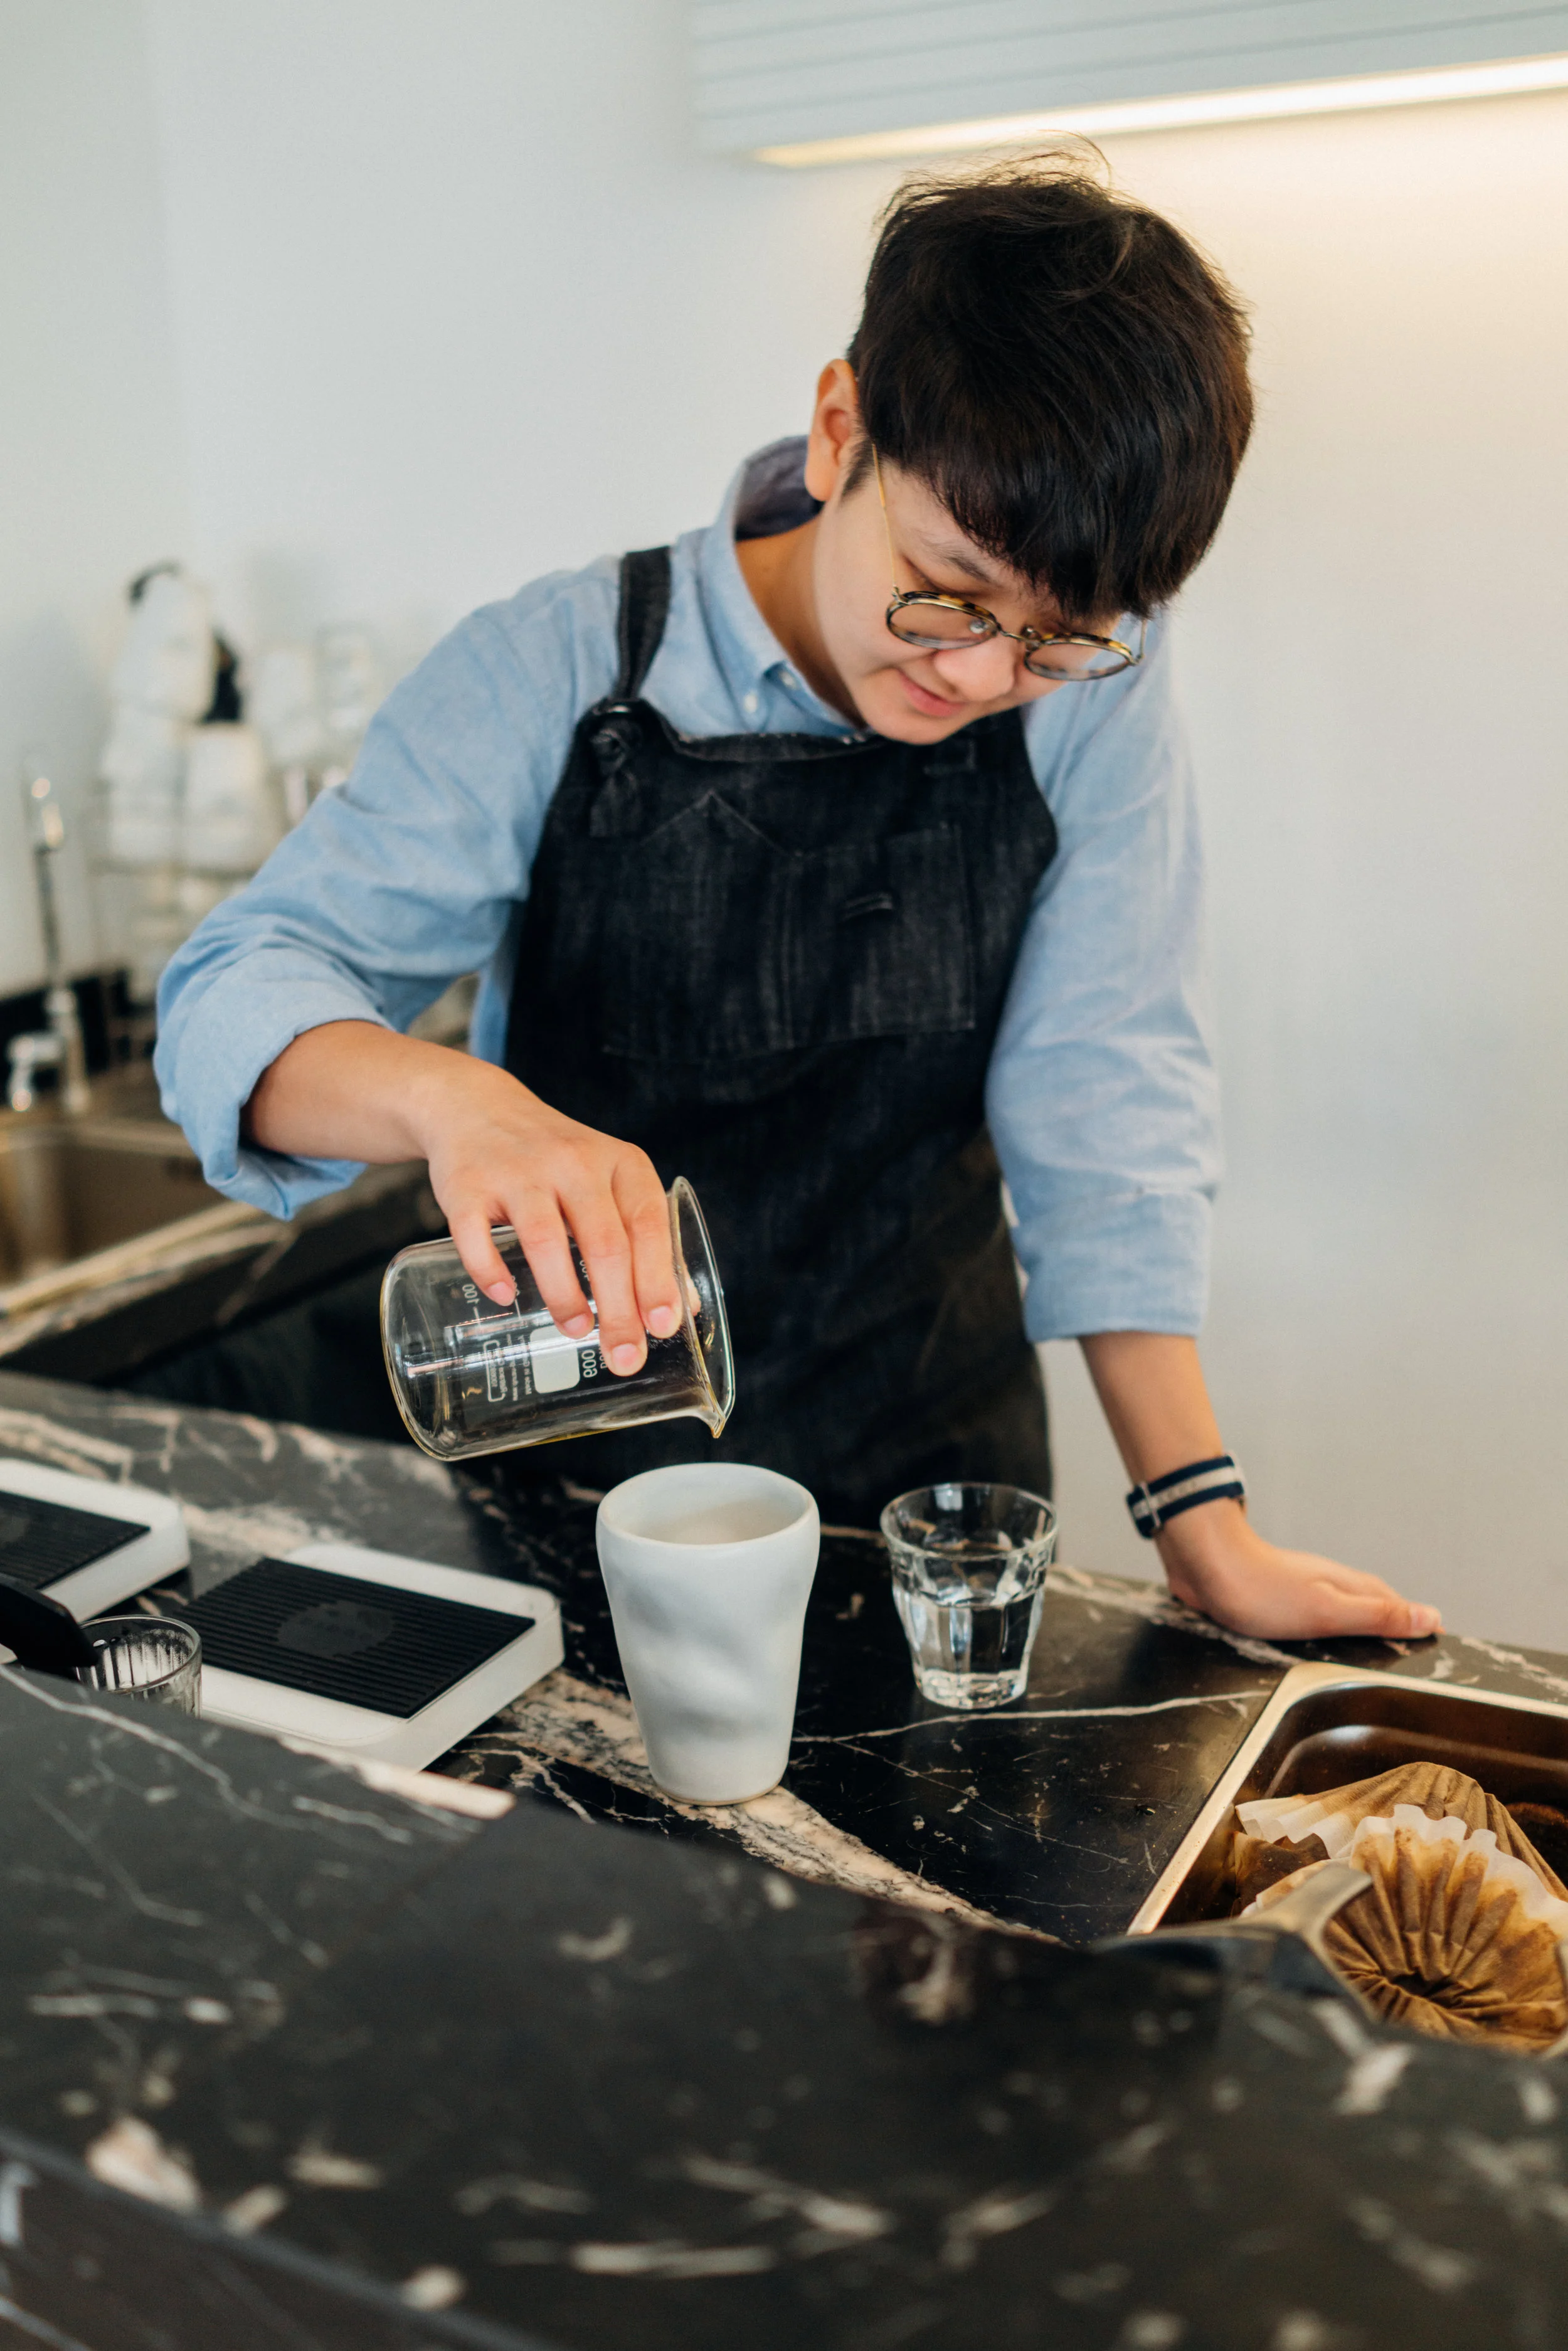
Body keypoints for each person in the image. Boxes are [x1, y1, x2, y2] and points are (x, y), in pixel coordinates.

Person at [156, 152, 1440, 1645]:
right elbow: (233, 990)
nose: (980, 672)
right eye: (945, 587)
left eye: (1054, 636)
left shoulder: (1095, 694)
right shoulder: (558, 667)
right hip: (577, 1485)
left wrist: (1198, 1516)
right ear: (840, 431)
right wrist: (457, 1105)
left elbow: (1105, 1081)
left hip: (928, 1490)